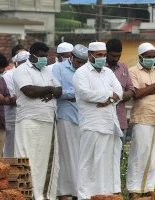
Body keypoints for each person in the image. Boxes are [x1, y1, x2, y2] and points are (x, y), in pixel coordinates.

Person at [73, 42, 123, 199]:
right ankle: (84, 196)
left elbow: (120, 91)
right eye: (99, 55)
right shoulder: (81, 73)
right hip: (91, 123)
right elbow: (85, 93)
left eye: (104, 54)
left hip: (109, 122)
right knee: (87, 162)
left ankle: (103, 194)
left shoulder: (108, 72)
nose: (102, 58)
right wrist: (110, 96)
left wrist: (109, 98)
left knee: (105, 162)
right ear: (90, 55)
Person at [13, 42, 62, 200]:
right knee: (28, 159)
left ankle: (43, 195)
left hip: (47, 120)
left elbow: (59, 89)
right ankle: (28, 195)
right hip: (29, 121)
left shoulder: (47, 70)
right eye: (41, 56)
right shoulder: (22, 70)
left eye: (46, 56)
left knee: (44, 161)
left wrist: (51, 90)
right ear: (32, 55)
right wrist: (49, 89)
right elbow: (29, 91)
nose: (44, 59)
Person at [52, 44, 88, 200]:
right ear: (71, 57)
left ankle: (78, 191)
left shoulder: (87, 71)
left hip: (84, 118)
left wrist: (79, 95)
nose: (81, 66)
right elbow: (55, 91)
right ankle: (65, 193)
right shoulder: (58, 68)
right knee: (66, 157)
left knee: (81, 157)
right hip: (65, 116)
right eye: (78, 62)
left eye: (83, 63)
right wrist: (76, 93)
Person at [127, 42, 155, 199]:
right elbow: (136, 93)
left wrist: (149, 88)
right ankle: (134, 190)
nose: (152, 59)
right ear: (140, 57)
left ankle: (149, 188)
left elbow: (145, 90)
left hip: (154, 117)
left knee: (153, 157)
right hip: (142, 118)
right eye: (148, 57)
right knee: (139, 154)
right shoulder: (133, 71)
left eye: (154, 57)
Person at [106, 39, 135, 146]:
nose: (116, 58)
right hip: (104, 121)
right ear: (106, 53)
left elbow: (131, 88)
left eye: (119, 55)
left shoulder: (123, 67)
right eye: (113, 56)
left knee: (119, 155)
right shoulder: (100, 68)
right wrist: (121, 95)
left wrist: (128, 94)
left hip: (120, 119)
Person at [3, 45, 29, 157]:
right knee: (10, 150)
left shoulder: (31, 74)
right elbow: (12, 99)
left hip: (28, 117)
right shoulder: (8, 76)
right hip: (12, 118)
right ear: (15, 60)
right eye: (22, 60)